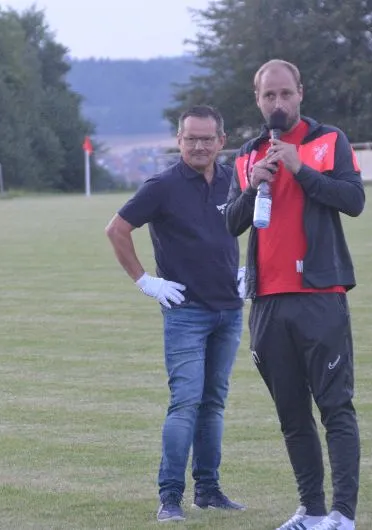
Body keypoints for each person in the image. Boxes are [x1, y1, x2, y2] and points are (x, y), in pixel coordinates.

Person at [225, 59, 365, 530]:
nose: (278, 102)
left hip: (319, 295)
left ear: (301, 92)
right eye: (269, 95)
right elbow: (231, 223)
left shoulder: (329, 140)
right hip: (267, 300)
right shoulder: (247, 155)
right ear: (258, 99)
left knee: (335, 407)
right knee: (291, 415)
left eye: (286, 93)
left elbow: (354, 200)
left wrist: (300, 168)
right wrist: (254, 185)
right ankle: (312, 509)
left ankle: (343, 515)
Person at [106, 105, 246, 523]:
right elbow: (117, 229)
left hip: (230, 310)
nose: (199, 146)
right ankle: (170, 496)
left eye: (207, 138)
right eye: (191, 138)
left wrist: (250, 269)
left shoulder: (234, 180)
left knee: (214, 403)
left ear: (221, 141)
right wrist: (145, 281)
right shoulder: (162, 186)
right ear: (179, 140)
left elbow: (259, 223)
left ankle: (209, 490)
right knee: (185, 403)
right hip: (186, 312)